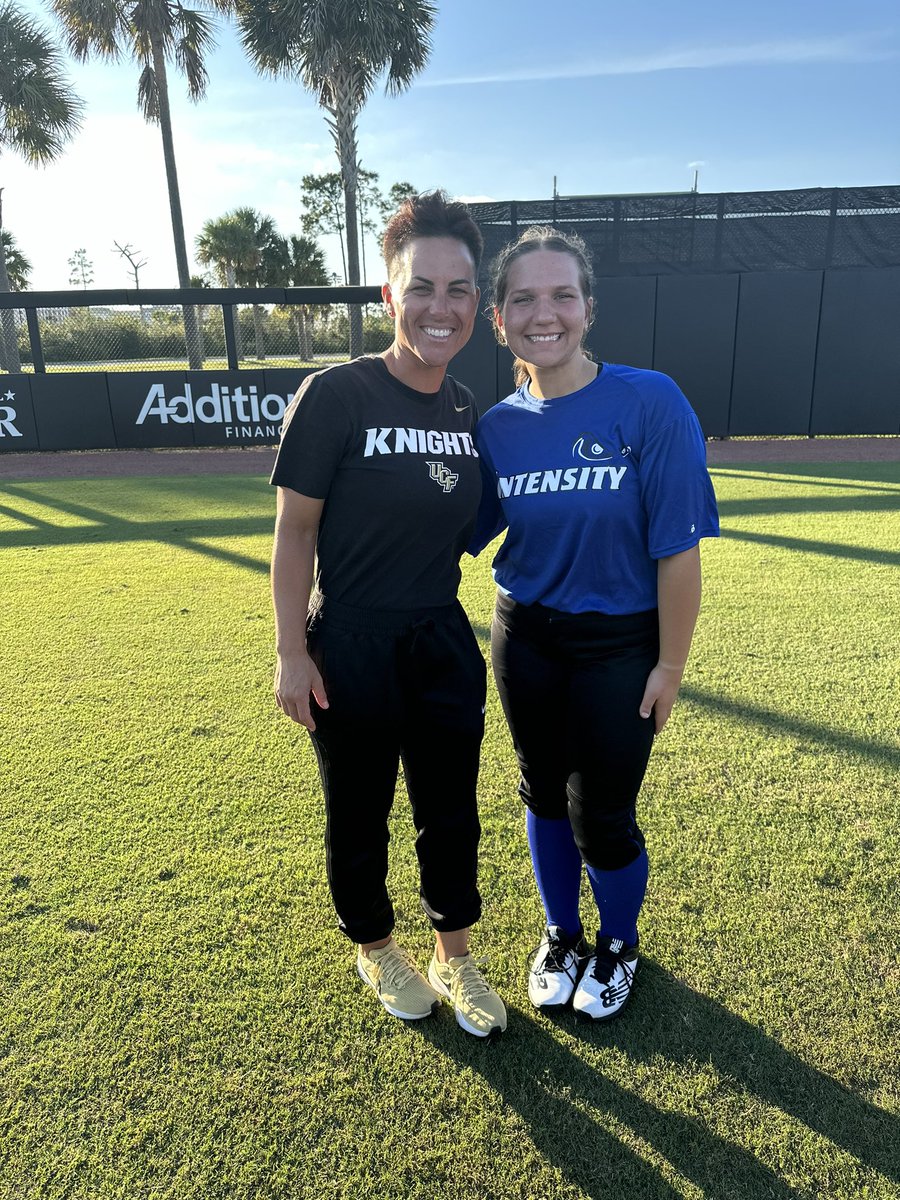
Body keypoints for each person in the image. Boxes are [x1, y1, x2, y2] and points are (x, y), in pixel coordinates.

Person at [270, 191, 506, 1039]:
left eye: (458, 290)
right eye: (422, 287)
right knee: (359, 810)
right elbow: (295, 532)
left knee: (451, 809)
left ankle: (456, 953)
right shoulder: (335, 395)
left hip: (441, 637)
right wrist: (293, 653)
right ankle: (375, 944)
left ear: (477, 304)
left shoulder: (464, 409)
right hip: (354, 640)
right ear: (388, 294)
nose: (440, 307)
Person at [470, 226, 719, 1021]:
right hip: (526, 637)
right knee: (542, 792)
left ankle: (617, 945)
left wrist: (669, 667)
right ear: (499, 319)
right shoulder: (496, 428)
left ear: (587, 307)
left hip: (622, 645)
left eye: (562, 295)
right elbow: (448, 526)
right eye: (524, 299)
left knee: (603, 811)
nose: (546, 314)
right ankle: (562, 934)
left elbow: (679, 552)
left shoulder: (650, 400)